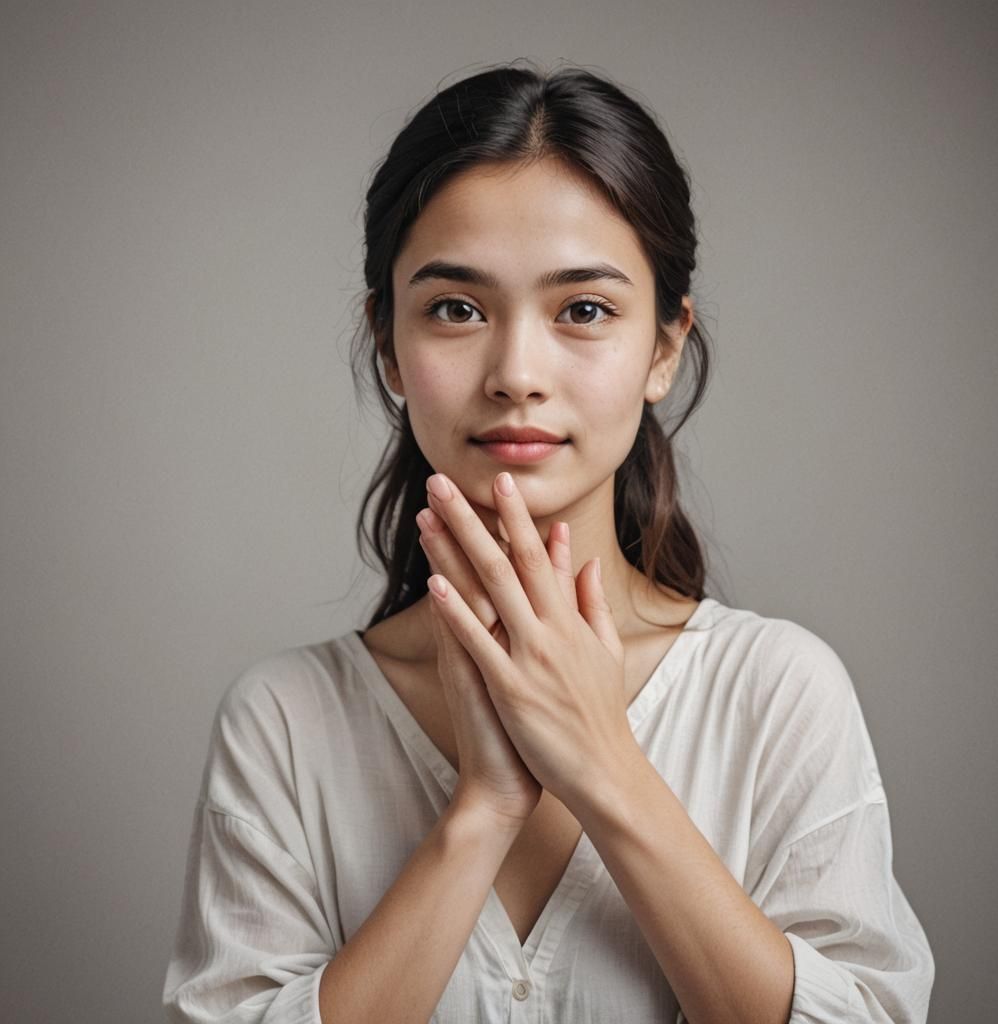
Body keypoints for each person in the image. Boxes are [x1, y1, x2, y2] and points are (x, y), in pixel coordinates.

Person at [163, 61, 935, 1023]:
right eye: (456, 308)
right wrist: (483, 807)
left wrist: (602, 761)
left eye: (583, 310)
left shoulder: (778, 693)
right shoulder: (284, 722)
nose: (517, 372)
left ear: (663, 347)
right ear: (387, 346)